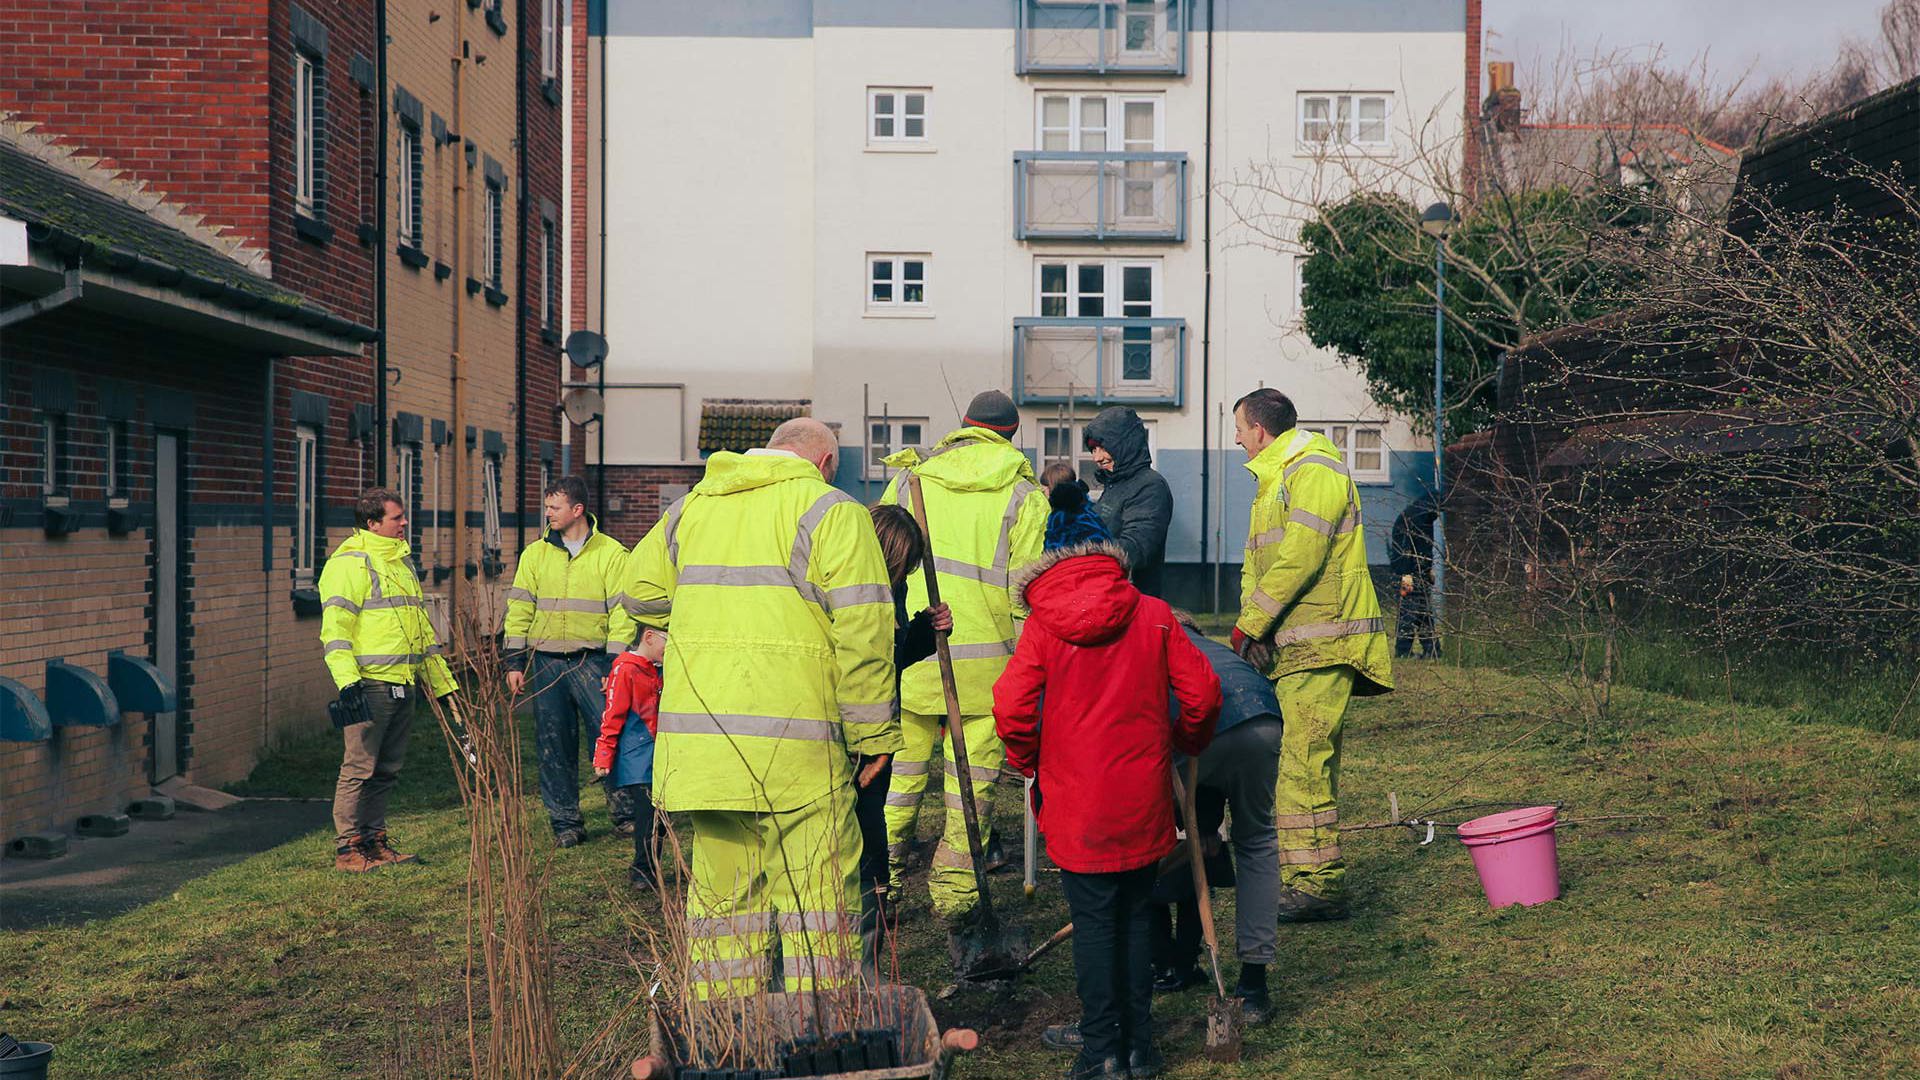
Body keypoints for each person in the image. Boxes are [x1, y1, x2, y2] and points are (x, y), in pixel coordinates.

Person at [619, 417, 898, 997]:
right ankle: (821, 1035)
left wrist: (707, 616)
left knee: (724, 910)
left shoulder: (692, 507)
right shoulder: (832, 510)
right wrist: (871, 736)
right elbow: (865, 630)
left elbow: (637, 592)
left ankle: (727, 1038)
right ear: (823, 463)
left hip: (705, 748)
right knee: (817, 905)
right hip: (797, 750)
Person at [995, 479, 1221, 1080]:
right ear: (1109, 556)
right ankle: (1139, 1050)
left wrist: (1027, 761)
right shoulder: (1153, 615)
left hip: (1075, 803)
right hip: (1141, 797)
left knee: (1095, 925)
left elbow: (1012, 708)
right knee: (1137, 916)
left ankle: (1101, 1054)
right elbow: (1201, 693)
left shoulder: (1041, 627)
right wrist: (1185, 742)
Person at [878, 390, 1050, 931]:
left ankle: (879, 886)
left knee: (896, 781)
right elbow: (1026, 596)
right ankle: (956, 902)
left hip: (908, 656)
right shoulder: (1025, 497)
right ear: (1010, 436)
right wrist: (1031, 669)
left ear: (963, 428)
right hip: (986, 671)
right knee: (969, 793)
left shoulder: (910, 481)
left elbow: (880, 560)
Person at [1231, 388, 1394, 922]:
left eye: (1238, 429)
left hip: (1323, 645)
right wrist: (1255, 631)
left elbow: (1300, 557)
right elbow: (1260, 566)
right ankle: (1308, 878)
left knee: (1303, 765)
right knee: (1298, 765)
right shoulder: (1278, 479)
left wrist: (1250, 625)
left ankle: (1316, 885)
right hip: (1299, 647)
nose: (1235, 439)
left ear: (1259, 430)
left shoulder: (1313, 470)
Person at [320, 488, 458, 872]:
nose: (404, 523)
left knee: (386, 770)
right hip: (370, 686)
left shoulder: (400, 563)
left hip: (403, 681)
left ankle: (374, 841)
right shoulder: (349, 564)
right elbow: (335, 631)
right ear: (372, 523)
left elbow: (421, 633)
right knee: (358, 769)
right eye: (396, 518)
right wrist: (349, 684)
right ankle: (348, 850)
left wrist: (444, 684)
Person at [1158, 612, 1285, 1023]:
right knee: (1257, 840)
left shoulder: (1152, 646)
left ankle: (1163, 960)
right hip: (1262, 714)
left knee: (1149, 841)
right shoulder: (1211, 647)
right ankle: (1253, 986)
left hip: (1202, 721)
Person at [504, 475, 638, 847]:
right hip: (546, 664)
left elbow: (623, 614)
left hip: (594, 662)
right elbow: (518, 610)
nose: (548, 514)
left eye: (554, 507)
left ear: (577, 510)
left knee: (610, 737)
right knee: (553, 746)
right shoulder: (535, 555)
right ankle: (566, 824)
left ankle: (625, 814)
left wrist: (615, 666)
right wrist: (514, 662)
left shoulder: (612, 555)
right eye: (547, 507)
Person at [863, 503, 952, 973]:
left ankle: (870, 949)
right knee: (864, 845)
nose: (909, 573)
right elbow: (869, 662)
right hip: (855, 739)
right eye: (906, 564)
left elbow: (891, 657)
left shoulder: (890, 588)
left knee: (872, 834)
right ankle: (862, 955)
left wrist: (923, 630)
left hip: (877, 729)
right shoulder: (857, 593)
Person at [595, 625, 671, 890]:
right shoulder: (625, 669)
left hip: (658, 754)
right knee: (649, 814)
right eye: (667, 640)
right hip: (637, 757)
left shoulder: (658, 669)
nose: (669, 648)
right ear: (648, 637)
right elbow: (612, 715)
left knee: (661, 815)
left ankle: (650, 867)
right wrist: (604, 755)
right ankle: (642, 870)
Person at [1084, 406, 1174, 599]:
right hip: (1107, 599)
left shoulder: (1150, 486)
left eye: (1103, 448)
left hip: (1132, 605)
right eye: (1093, 449)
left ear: (1125, 445)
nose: (1097, 457)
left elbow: (1137, 549)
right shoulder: (1115, 483)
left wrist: (1082, 552)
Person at [1388, 492, 1441, 659]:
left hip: (1417, 571)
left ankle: (1431, 650)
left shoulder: (1419, 516)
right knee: (1410, 611)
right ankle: (1404, 651)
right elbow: (1407, 548)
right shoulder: (1417, 519)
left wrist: (1427, 570)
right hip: (1410, 572)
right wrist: (1407, 573)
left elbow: (1422, 548)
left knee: (1423, 611)